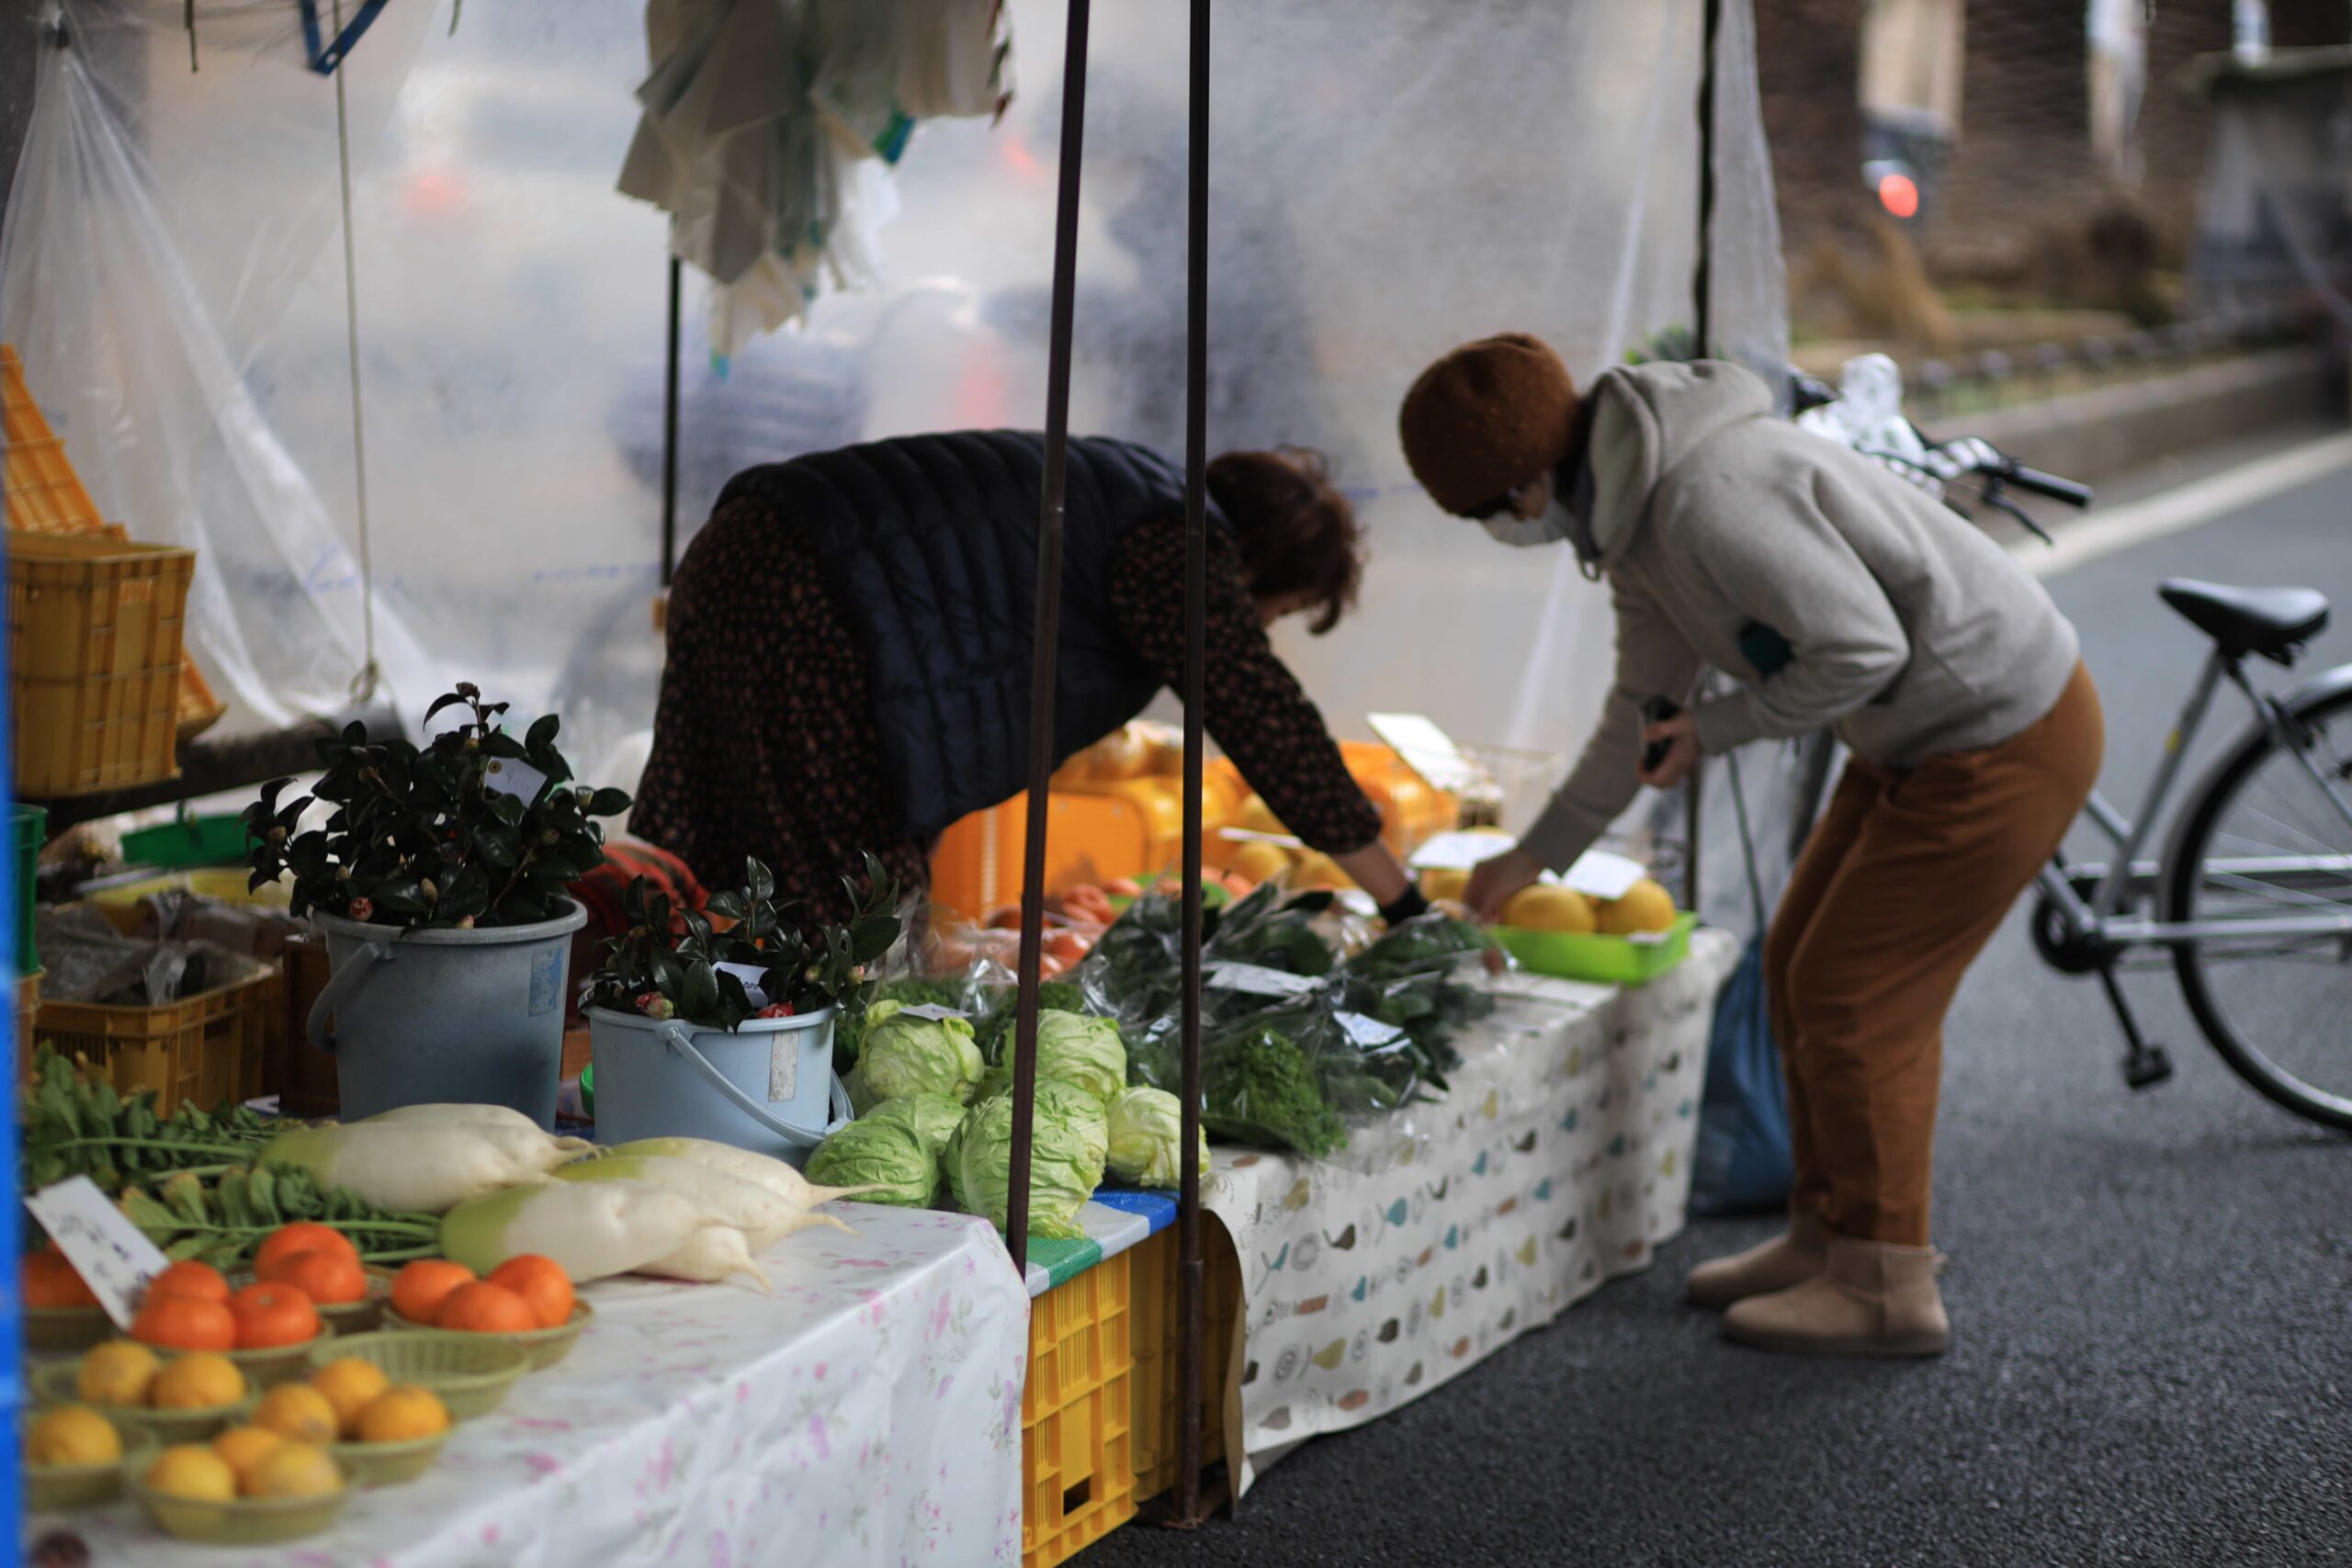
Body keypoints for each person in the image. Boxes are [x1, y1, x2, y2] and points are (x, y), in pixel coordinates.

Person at [1397, 333, 2103, 1359]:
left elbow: (1865, 648)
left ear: (1518, 485)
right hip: (1917, 731)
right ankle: (1825, 1238)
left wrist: (1718, 730)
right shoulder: (1632, 528)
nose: (1502, 533)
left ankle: (1885, 1286)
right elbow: (1638, 713)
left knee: (1856, 997)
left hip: (2000, 729)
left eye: (1482, 514)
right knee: (1795, 963)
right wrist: (1527, 861)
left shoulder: (1704, 500)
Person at [631, 432, 1422, 927]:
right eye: (1274, 612)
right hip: (811, 598)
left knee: (757, 878)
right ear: (1256, 567)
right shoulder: (1176, 542)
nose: (1260, 633)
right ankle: (796, 1124)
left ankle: (708, 1067)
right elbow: (1264, 717)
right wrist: (1403, 901)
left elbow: (940, 661)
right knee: (857, 916)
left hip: (745, 545)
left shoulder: (1124, 492)